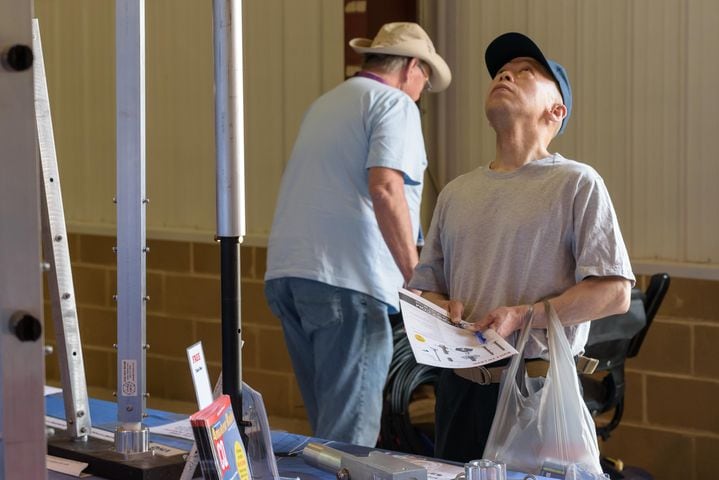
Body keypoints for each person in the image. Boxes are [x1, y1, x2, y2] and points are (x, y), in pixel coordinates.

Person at [407, 32, 635, 462]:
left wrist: (524, 317)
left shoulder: (576, 183)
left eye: (526, 72)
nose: (506, 74)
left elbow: (615, 292)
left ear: (556, 110)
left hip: (535, 393)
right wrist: (443, 308)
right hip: (459, 391)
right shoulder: (456, 192)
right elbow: (428, 288)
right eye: (501, 72)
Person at [264, 22, 451, 447]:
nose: (421, 91)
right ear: (411, 68)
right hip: (349, 282)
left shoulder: (327, 103)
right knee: (350, 443)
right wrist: (416, 278)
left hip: (290, 277)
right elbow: (386, 188)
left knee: (327, 436)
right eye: (424, 79)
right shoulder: (394, 104)